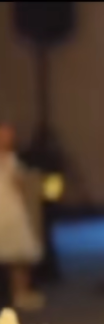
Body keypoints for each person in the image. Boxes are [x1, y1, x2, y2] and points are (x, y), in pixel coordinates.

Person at [0, 120, 44, 310]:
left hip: (11, 208)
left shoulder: (11, 159)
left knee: (19, 255)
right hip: (5, 208)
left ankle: (21, 293)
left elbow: (19, 182)